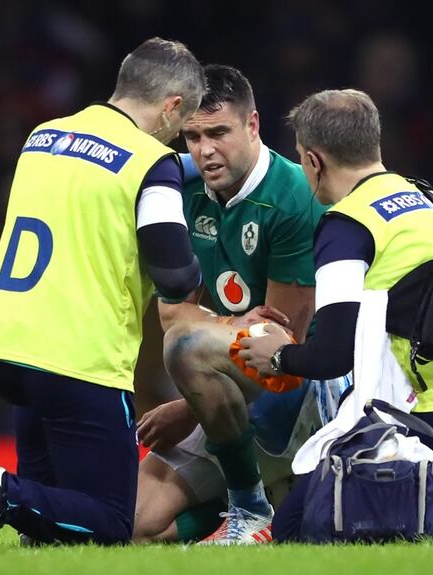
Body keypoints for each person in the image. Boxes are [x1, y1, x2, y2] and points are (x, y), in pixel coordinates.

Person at [240, 89, 433, 542]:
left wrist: (278, 356)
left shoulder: (346, 225)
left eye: (301, 159)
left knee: (300, 527)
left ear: (314, 162)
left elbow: (333, 355)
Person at [0, 37, 206, 548]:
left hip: (5, 344)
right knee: (113, 524)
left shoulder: (43, 136)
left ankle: (21, 510)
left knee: (54, 524)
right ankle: (2, 492)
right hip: (76, 357)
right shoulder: (151, 163)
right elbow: (176, 275)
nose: (179, 139)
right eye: (182, 127)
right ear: (171, 107)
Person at [131, 65, 349, 545]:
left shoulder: (293, 195)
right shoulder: (182, 192)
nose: (205, 150)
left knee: (185, 348)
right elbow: (171, 312)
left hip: (302, 395)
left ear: (252, 125)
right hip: (227, 381)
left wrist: (188, 407)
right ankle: (269, 503)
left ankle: (250, 503)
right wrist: (225, 330)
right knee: (136, 526)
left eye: (218, 132)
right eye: (191, 136)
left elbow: (281, 346)